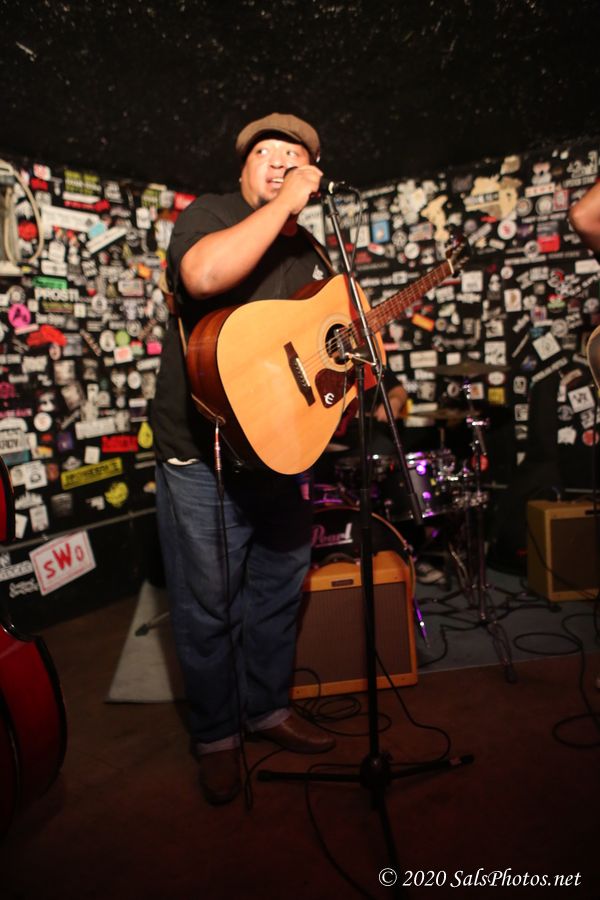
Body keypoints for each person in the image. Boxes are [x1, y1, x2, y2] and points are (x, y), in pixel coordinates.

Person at [151, 113, 336, 806]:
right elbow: (202, 276)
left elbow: (311, 346)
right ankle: (217, 736)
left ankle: (266, 709)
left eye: (295, 155)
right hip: (203, 453)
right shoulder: (211, 215)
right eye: (268, 152)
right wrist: (284, 204)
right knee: (208, 603)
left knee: (280, 587)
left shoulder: (311, 250)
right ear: (244, 168)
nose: (282, 162)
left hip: (281, 452)